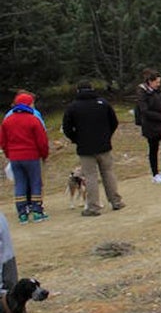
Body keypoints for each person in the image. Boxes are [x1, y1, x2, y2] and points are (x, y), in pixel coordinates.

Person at [62, 81, 125, 217]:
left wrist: (76, 139)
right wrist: (107, 136)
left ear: (78, 91)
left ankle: (93, 207)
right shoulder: (103, 103)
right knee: (108, 172)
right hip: (104, 145)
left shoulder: (73, 107)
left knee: (90, 176)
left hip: (85, 147)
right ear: (92, 89)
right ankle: (116, 201)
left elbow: (67, 128)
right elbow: (114, 122)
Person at [0, 93, 50, 223]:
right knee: (35, 182)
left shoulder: (7, 120)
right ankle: (37, 211)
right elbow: (42, 141)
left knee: (20, 183)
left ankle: (22, 213)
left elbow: (3, 141)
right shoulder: (33, 119)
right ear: (29, 104)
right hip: (31, 155)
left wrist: (8, 154)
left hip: (15, 157)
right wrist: (44, 154)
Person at [137, 69, 161, 184]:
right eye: (156, 82)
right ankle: (155, 174)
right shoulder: (142, 92)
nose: (158, 84)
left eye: (159, 82)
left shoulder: (160, 90)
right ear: (150, 81)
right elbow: (144, 111)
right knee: (153, 149)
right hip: (151, 126)